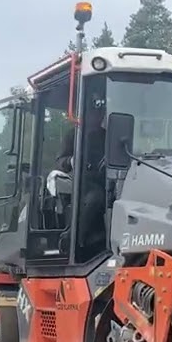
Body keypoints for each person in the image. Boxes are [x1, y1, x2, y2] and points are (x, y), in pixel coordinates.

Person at [55, 98, 110, 255]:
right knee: (97, 197)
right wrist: (72, 160)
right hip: (82, 181)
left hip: (107, 179)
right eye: (95, 111)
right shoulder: (73, 135)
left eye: (101, 111)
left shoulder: (107, 137)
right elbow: (60, 161)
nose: (98, 115)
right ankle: (72, 237)